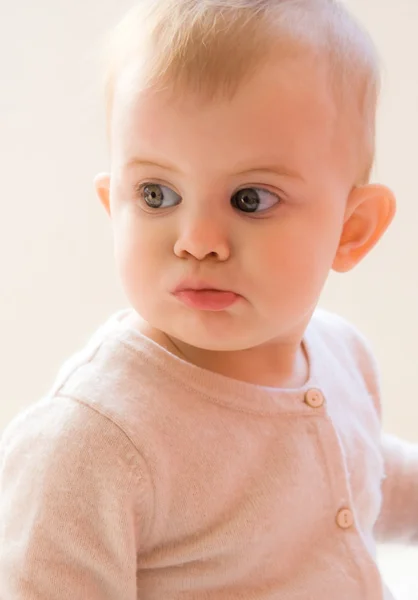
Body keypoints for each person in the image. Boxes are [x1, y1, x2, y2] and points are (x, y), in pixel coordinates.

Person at [1, 0, 417, 598]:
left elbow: (362, 472)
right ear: (111, 205)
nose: (197, 242)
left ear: (351, 230)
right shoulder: (91, 442)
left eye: (250, 199)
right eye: (156, 193)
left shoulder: (343, 355)